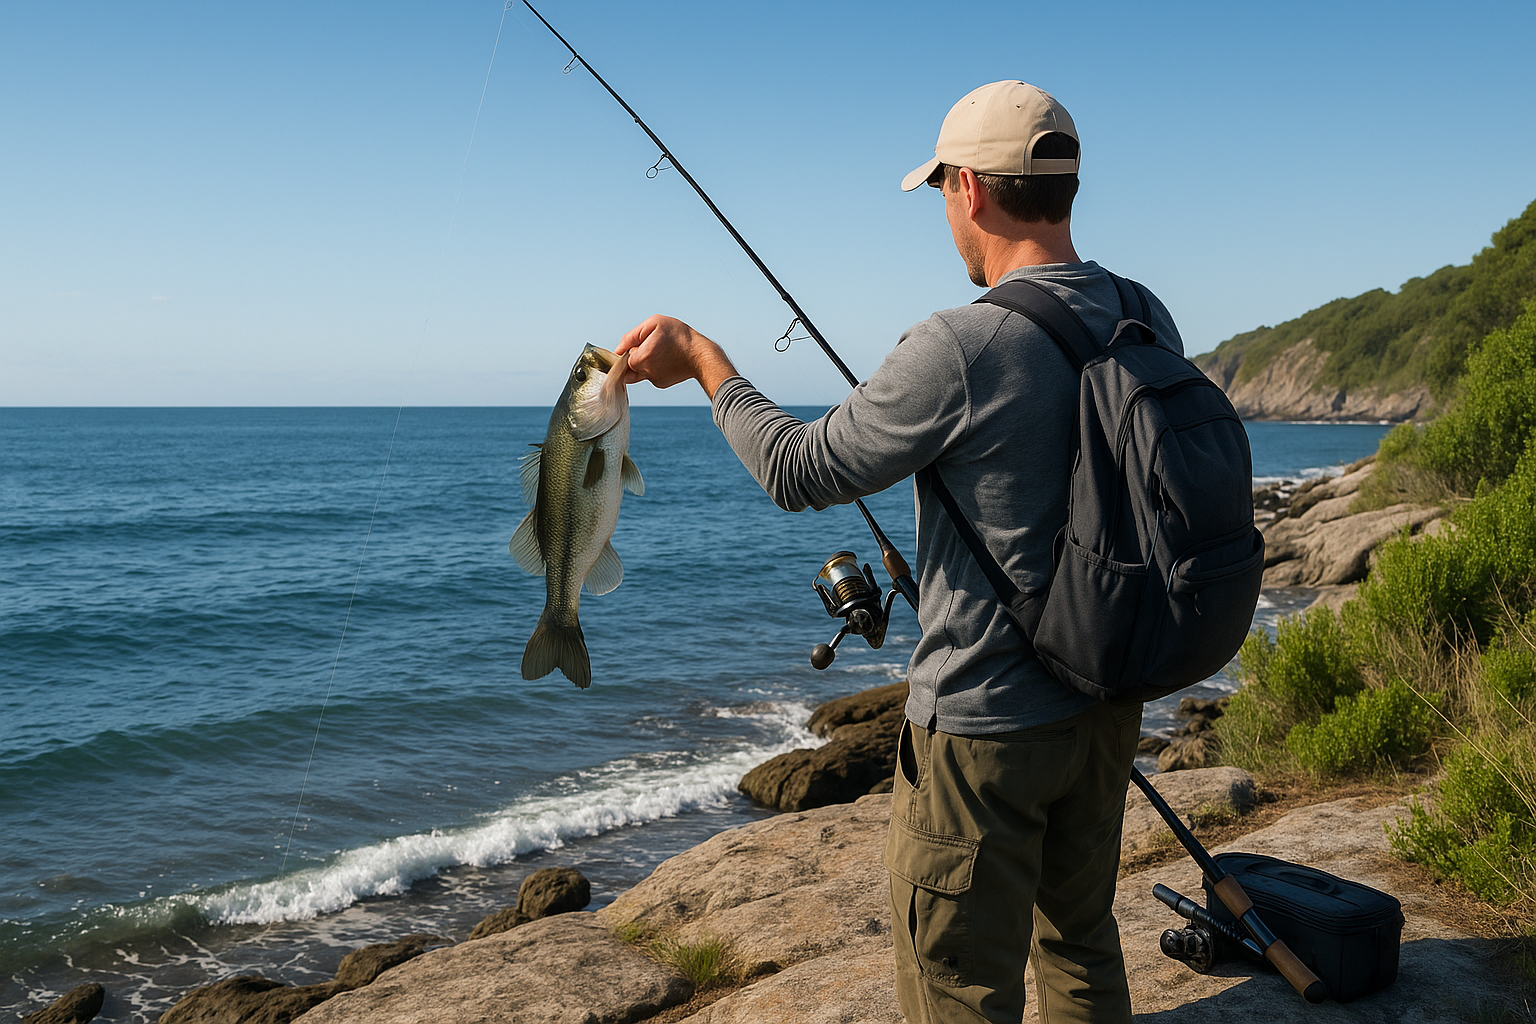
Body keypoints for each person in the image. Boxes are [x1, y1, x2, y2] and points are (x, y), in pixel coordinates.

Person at [616, 81, 1185, 1024]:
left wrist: (705, 361)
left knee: (957, 984)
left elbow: (800, 469)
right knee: (1080, 942)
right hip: (1108, 696)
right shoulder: (1143, 312)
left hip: (985, 730)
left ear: (969, 189)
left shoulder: (962, 346)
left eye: (942, 198)